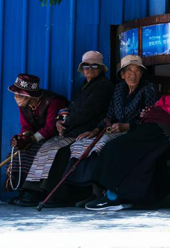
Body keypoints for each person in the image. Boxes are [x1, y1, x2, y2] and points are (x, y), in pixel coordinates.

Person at [86, 62, 170, 211]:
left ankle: (113, 197)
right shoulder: (119, 90)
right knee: (135, 157)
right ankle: (124, 197)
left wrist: (162, 101)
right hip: (155, 127)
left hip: (161, 129)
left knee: (116, 148)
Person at [20, 50, 114, 207]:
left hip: (86, 129)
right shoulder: (86, 85)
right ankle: (34, 191)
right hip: (72, 128)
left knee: (61, 152)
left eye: (94, 66)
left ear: (101, 68)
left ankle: (56, 195)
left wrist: (66, 123)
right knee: (46, 147)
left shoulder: (103, 85)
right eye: (86, 66)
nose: (89, 69)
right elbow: (71, 107)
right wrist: (59, 121)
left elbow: (88, 111)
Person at [67, 54, 157, 204]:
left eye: (137, 71)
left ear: (142, 73)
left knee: (104, 147)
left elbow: (150, 118)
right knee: (85, 144)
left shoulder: (148, 89)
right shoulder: (119, 89)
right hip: (115, 129)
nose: (133, 75)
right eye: (129, 71)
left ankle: (105, 193)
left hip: (135, 132)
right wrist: (95, 130)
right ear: (122, 75)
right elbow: (109, 115)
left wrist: (128, 125)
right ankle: (93, 191)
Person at [5, 74, 68, 204]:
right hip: (37, 137)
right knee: (19, 151)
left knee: (37, 150)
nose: (16, 97)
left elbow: (50, 128)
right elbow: (26, 126)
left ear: (29, 95)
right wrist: (23, 138)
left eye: (19, 94)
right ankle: (23, 189)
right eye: (15, 94)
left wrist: (32, 139)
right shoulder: (23, 104)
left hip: (56, 136)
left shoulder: (53, 101)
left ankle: (35, 192)